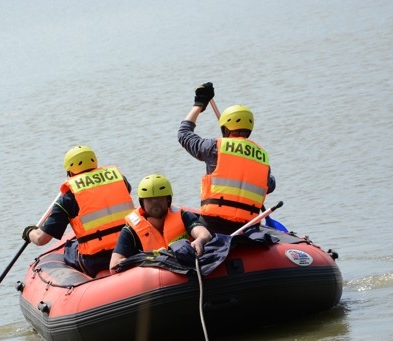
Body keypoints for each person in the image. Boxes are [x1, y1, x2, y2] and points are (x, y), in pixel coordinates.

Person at [178, 82, 276, 235]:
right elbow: (270, 185)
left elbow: (184, 134)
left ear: (224, 127)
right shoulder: (262, 157)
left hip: (213, 224)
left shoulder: (214, 147)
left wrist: (199, 104)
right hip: (247, 227)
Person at [22, 145, 134, 278]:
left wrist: (29, 232)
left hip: (96, 260)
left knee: (69, 248)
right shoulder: (120, 180)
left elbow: (42, 239)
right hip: (128, 249)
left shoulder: (69, 197)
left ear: (69, 171)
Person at [109, 174, 212, 272]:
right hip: (152, 279)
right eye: (149, 199)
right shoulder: (130, 231)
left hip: (188, 267)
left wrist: (199, 241)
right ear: (142, 202)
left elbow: (204, 234)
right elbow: (114, 264)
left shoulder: (183, 216)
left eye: (159, 198)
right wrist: (148, 258)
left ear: (168, 200)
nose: (155, 203)